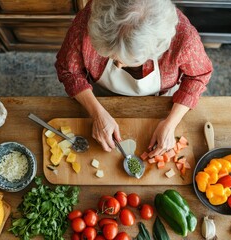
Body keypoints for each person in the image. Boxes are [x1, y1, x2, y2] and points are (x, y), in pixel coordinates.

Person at [55, 0, 213, 157]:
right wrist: (97, 113)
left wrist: (171, 123)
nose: (118, 66)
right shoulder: (88, 22)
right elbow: (69, 70)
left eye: (129, 61)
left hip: (162, 101)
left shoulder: (184, 38)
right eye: (111, 56)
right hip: (100, 97)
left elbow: (198, 76)